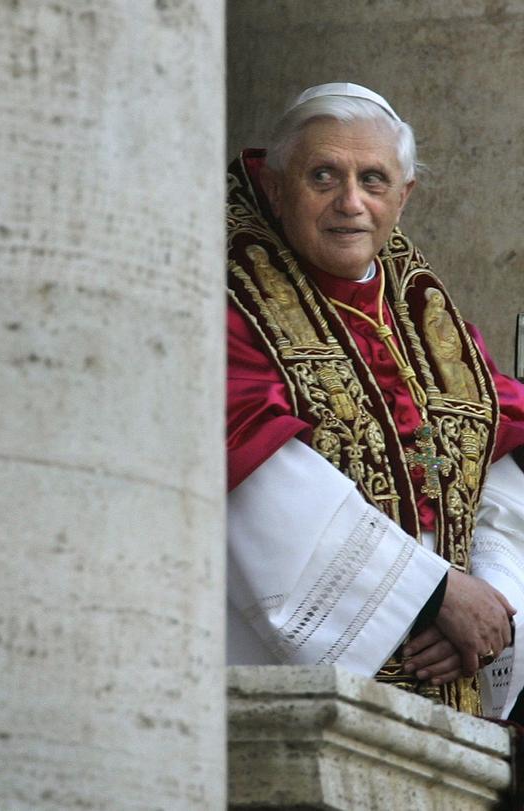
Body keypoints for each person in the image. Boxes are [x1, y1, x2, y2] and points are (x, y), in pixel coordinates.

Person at [226, 82, 524, 717]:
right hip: (298, 692)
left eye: (373, 179)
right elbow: (248, 465)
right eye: (324, 176)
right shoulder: (228, 298)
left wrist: (493, 603)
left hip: (454, 671)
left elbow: (497, 472)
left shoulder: (425, 312)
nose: (350, 203)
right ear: (277, 188)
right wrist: (429, 596)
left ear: (405, 195)